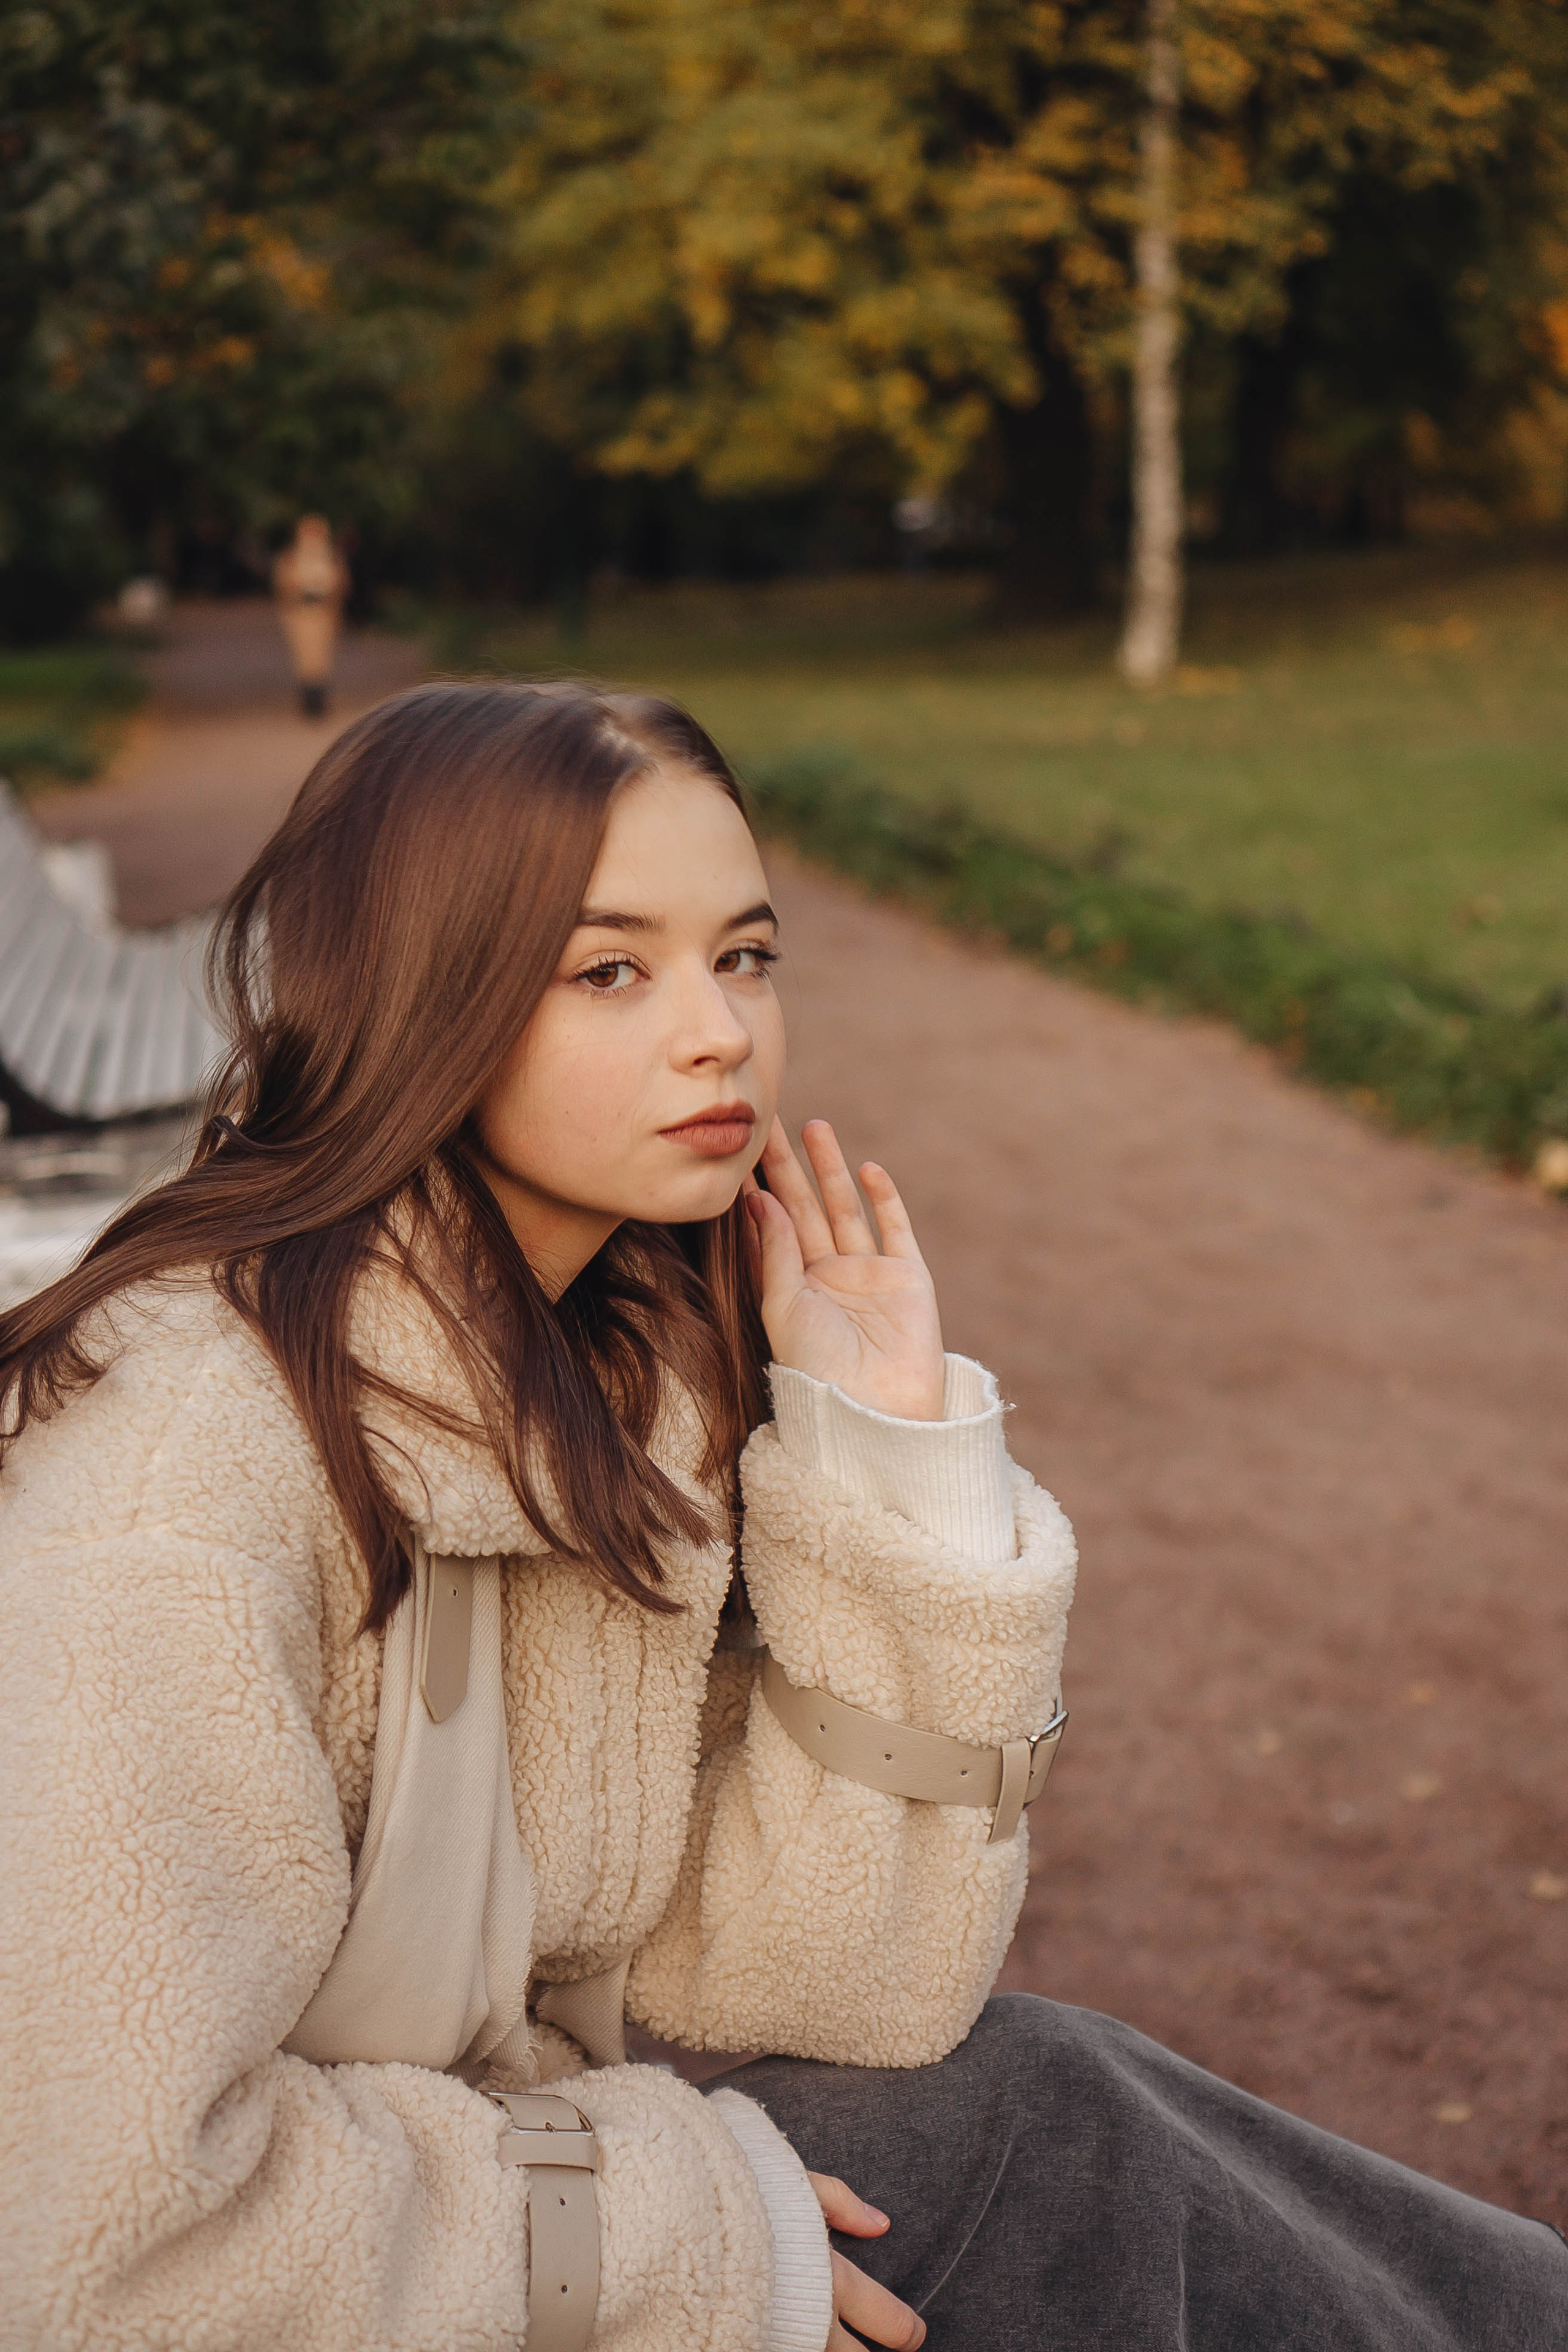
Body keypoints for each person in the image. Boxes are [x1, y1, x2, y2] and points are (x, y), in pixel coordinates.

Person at [0, 682, 1561, 2352]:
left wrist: (884, 1456)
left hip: (437, 2252)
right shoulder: (178, 1472)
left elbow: (824, 1984)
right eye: (610, 971)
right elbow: (89, 2240)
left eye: (743, 955)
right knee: (1054, 2148)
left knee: (1045, 2116)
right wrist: (679, 2239)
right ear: (416, 991)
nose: (719, 1033)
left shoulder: (589, 1392)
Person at [271, 514, 349, 717]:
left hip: (323, 613)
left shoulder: (331, 559)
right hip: (302, 613)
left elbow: (341, 586)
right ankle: (308, 701)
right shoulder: (292, 559)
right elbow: (283, 585)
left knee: (322, 659)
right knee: (304, 658)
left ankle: (320, 701)